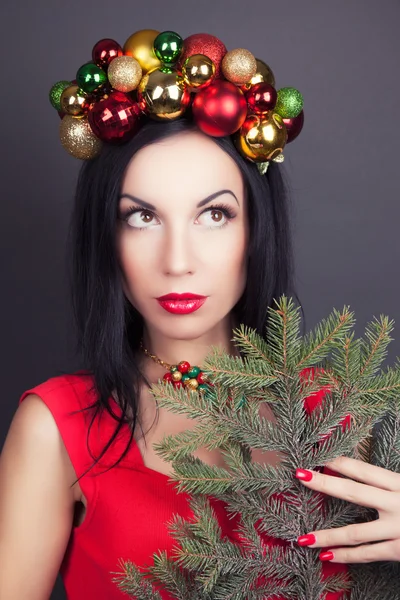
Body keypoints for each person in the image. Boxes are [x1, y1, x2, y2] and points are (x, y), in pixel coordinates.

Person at [1, 31, 400, 600]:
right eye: (141, 218)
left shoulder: (339, 412)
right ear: (105, 236)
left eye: (214, 215)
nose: (178, 262)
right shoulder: (58, 429)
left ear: (256, 229)